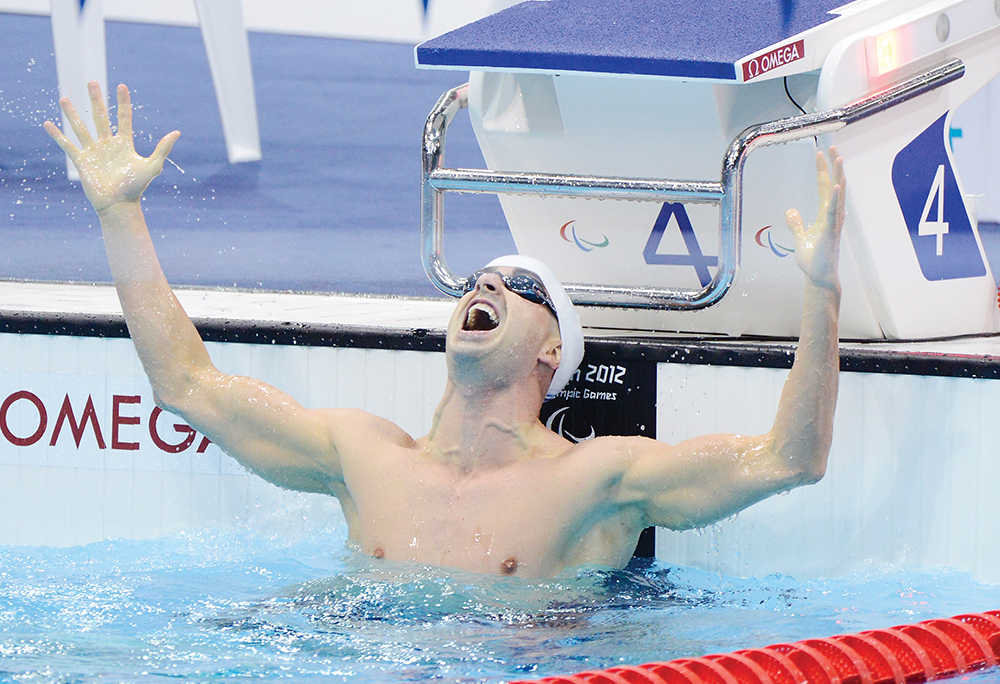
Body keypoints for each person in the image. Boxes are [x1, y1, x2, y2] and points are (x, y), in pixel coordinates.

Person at [45, 82, 846, 579]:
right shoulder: (359, 456)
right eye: (477, 279)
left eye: (518, 286)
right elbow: (188, 387)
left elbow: (790, 461)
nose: (486, 283)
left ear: (551, 350)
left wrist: (821, 291)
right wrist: (120, 215)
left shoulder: (596, 483)